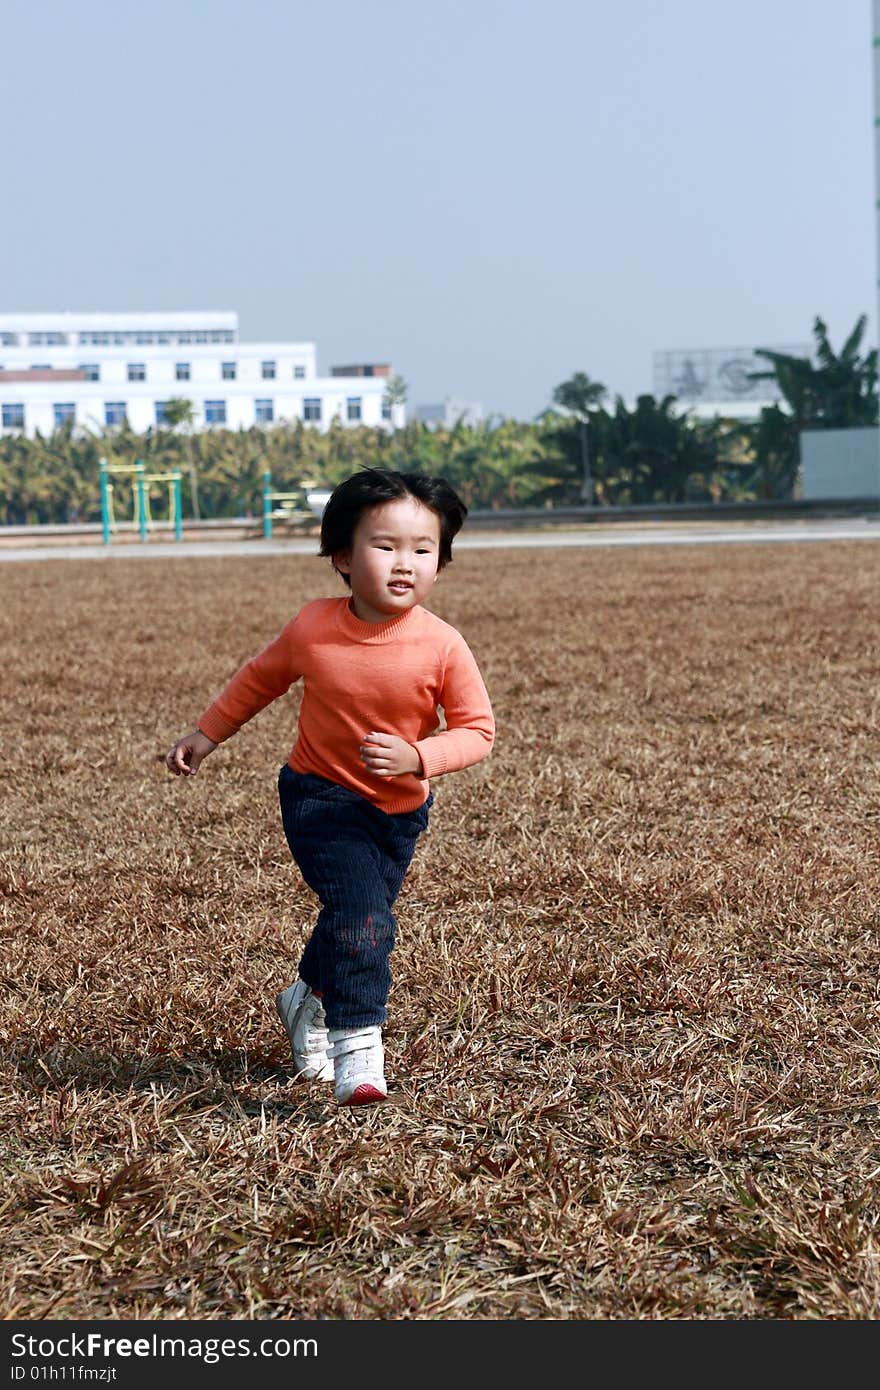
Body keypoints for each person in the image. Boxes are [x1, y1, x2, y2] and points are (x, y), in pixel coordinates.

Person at [165, 468, 494, 1106]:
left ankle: (305, 996)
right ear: (343, 558)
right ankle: (358, 1054)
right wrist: (206, 735)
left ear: (441, 564)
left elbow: (479, 732)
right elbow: (259, 679)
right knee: (365, 918)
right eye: (385, 546)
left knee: (354, 915)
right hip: (319, 797)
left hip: (398, 812)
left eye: (423, 550)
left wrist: (418, 756)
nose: (406, 563)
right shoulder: (313, 628)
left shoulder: (444, 646)